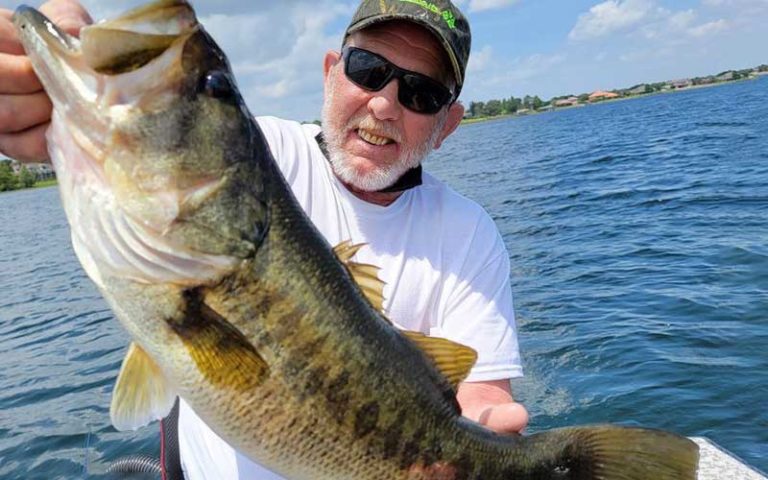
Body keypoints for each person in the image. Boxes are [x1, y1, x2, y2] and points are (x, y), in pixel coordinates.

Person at [0, 0, 529, 478]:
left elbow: (480, 391)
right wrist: (57, 60)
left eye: (421, 93)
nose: (385, 105)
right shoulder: (266, 150)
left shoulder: (469, 234)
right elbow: (142, 156)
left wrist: (481, 440)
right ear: (331, 74)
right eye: (369, 71)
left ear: (448, 125)